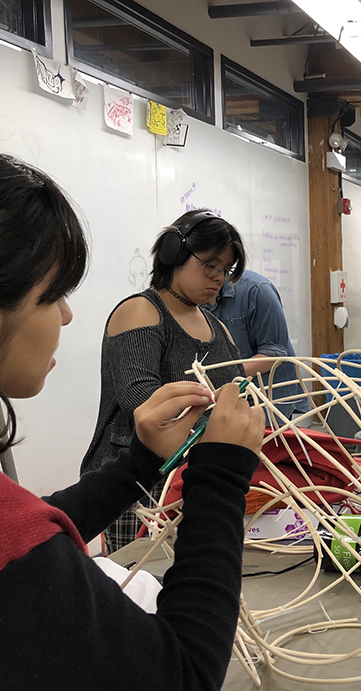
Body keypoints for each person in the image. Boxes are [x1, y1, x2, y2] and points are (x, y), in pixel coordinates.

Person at [0, 137, 265, 691]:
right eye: (53, 295)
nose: (66, 317)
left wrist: (141, 462)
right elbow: (175, 690)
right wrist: (220, 474)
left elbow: (16, 554)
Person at [81, 210, 249, 551]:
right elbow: (142, 401)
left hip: (194, 475)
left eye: (225, 270)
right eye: (210, 265)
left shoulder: (218, 328)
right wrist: (217, 425)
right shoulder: (141, 311)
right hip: (137, 480)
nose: (218, 278)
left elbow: (239, 393)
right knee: (138, 582)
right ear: (175, 255)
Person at [203, 268, 309, 419]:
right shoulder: (189, 299)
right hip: (223, 400)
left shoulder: (257, 290)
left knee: (269, 440)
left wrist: (221, 376)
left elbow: (273, 355)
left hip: (269, 401)